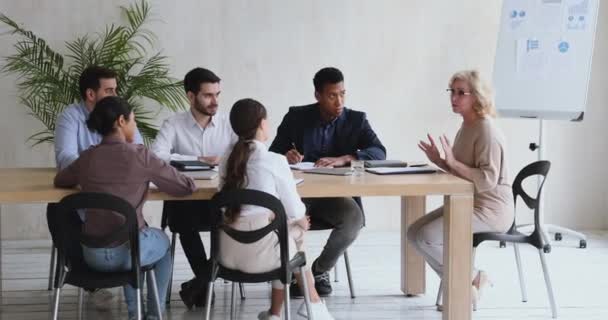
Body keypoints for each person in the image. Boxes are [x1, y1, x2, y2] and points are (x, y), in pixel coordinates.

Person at [54, 96, 196, 320]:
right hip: (129, 255)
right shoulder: (141, 156)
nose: (135, 125)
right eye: (133, 120)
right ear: (121, 121)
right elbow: (185, 187)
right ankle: (151, 316)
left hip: (92, 256)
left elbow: (61, 180)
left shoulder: (87, 157)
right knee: (159, 243)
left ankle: (134, 314)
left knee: (136, 242)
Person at [269, 67, 386, 296]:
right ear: (318, 96)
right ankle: (295, 275)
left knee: (354, 218)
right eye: (332, 95)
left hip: (334, 197)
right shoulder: (296, 116)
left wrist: (346, 158)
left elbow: (379, 151)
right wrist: (287, 155)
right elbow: (273, 152)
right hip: (299, 195)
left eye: (343, 94)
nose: (339, 101)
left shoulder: (356, 119)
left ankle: (320, 270)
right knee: (284, 220)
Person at [218, 98, 335, 320]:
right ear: (262, 124)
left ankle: (276, 313)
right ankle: (313, 304)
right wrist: (297, 220)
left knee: (282, 230)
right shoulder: (274, 161)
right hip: (266, 257)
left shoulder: (226, 160)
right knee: (294, 230)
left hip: (227, 255)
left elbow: (226, 202)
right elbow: (296, 210)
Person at [409, 70, 514, 310]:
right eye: (452, 92)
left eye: (461, 93)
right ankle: (472, 279)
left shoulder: (487, 131)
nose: (454, 98)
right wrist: (440, 161)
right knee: (414, 233)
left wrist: (453, 163)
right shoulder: (466, 126)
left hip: (491, 210)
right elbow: (461, 171)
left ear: (477, 97)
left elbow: (487, 180)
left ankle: (464, 286)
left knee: (427, 237)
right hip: (466, 201)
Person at [51, 65, 144, 310]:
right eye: (109, 89)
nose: (116, 94)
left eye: (115, 88)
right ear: (91, 94)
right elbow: (65, 159)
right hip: (87, 197)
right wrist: (101, 170)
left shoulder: (122, 114)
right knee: (56, 211)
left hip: (119, 205)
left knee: (128, 218)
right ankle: (91, 281)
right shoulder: (71, 117)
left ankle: (124, 290)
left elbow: (140, 152)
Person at [150, 67, 236, 308]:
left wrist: (223, 160)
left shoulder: (228, 123)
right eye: (208, 95)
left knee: (236, 220)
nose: (214, 101)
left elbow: (246, 153)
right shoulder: (174, 124)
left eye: (217, 94)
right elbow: (156, 157)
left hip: (221, 200)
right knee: (183, 218)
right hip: (187, 201)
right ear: (190, 96)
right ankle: (205, 282)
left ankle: (200, 284)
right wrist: (197, 160)